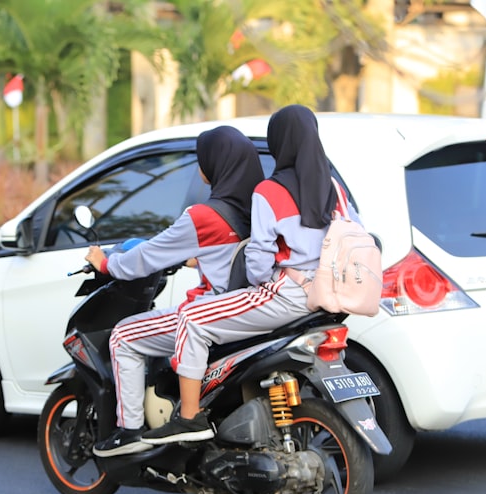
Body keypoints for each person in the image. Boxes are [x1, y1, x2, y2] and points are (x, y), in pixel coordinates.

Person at [139, 104, 361, 446]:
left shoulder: (270, 192)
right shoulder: (334, 189)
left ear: (278, 142)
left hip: (287, 295)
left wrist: (260, 283)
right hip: (329, 297)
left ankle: (188, 418)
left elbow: (258, 261)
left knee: (192, 318)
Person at [86, 125, 264, 457]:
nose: (200, 168)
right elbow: (230, 253)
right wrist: (197, 260)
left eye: (203, 159)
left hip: (213, 311)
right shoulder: (255, 208)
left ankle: (129, 432)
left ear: (216, 165)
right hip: (246, 309)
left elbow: (148, 256)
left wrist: (106, 264)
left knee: (124, 336)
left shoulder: (205, 215)